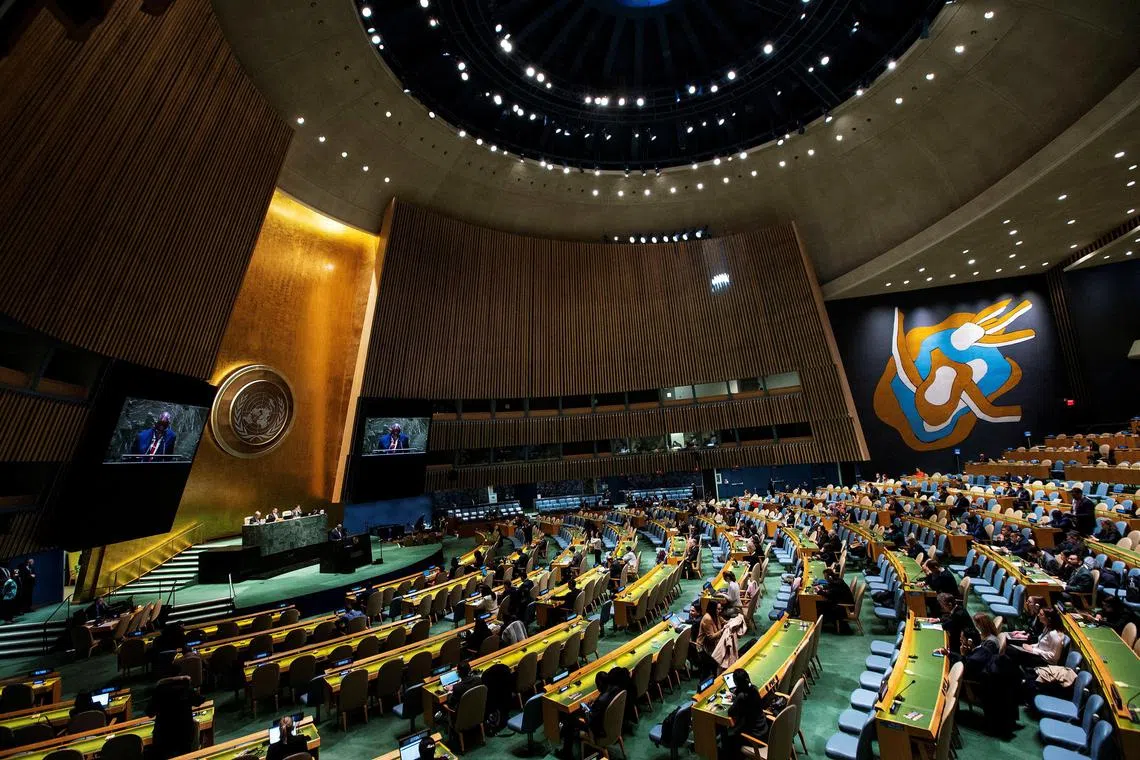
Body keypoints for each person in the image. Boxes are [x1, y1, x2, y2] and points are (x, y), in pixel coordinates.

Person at [146, 674, 205, 758]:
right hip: (185, 733)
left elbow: (149, 713)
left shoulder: (160, 690)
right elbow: (199, 700)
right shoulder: (185, 687)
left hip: (164, 735)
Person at [720, 669, 767, 760]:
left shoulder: (742, 696)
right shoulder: (754, 689)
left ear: (736, 683)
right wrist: (736, 697)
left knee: (726, 733)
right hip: (763, 730)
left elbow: (731, 712)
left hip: (755, 736)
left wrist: (736, 699)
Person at [817, 567, 855, 634]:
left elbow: (829, 595)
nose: (825, 579)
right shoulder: (838, 580)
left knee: (823, 605)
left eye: (826, 578)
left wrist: (819, 591)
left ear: (830, 578)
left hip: (845, 608)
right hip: (842, 602)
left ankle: (821, 623)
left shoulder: (836, 584)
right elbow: (830, 587)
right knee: (822, 603)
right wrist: (823, 587)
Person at [697, 600, 725, 679]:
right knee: (715, 664)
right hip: (704, 648)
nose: (720, 611)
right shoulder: (707, 618)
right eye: (718, 609)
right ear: (713, 609)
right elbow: (711, 637)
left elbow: (724, 622)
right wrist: (722, 630)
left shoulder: (716, 615)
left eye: (720, 609)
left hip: (713, 645)